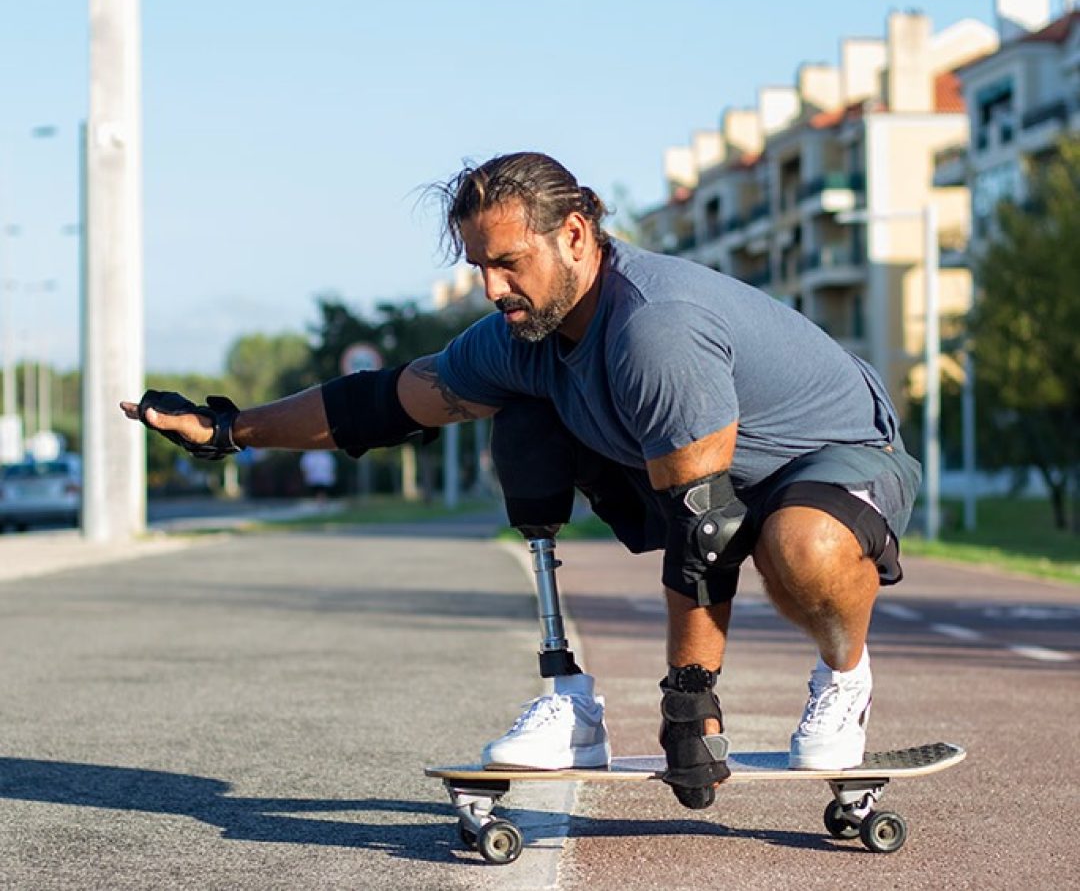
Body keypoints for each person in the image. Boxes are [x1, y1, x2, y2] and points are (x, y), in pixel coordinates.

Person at [121, 152, 920, 809]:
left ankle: (843, 679)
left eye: (508, 263)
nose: (492, 289)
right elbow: (384, 403)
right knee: (523, 412)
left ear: (574, 235)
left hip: (827, 459)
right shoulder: (522, 332)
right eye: (479, 266)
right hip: (707, 482)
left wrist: (689, 703)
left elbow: (701, 527)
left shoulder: (655, 328)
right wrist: (229, 429)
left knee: (800, 547)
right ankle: (570, 703)